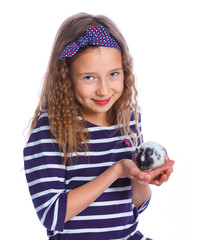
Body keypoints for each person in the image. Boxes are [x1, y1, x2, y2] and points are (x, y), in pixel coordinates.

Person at [24, 13, 175, 240]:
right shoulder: (51, 131)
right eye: (89, 78)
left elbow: (136, 206)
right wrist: (117, 170)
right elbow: (51, 214)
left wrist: (140, 177)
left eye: (113, 74)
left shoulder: (128, 120)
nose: (104, 90)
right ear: (66, 79)